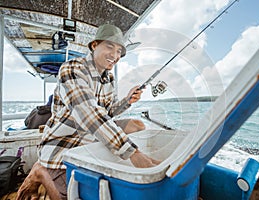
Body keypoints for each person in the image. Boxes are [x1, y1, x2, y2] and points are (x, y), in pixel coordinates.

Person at [17, 24, 160, 200]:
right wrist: (134, 153)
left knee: (138, 125)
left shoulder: (109, 78)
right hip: (64, 142)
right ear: (94, 45)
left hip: (91, 137)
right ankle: (40, 170)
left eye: (119, 52)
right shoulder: (72, 69)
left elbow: (107, 112)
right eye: (109, 47)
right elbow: (88, 114)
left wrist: (126, 101)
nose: (115, 56)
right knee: (68, 196)